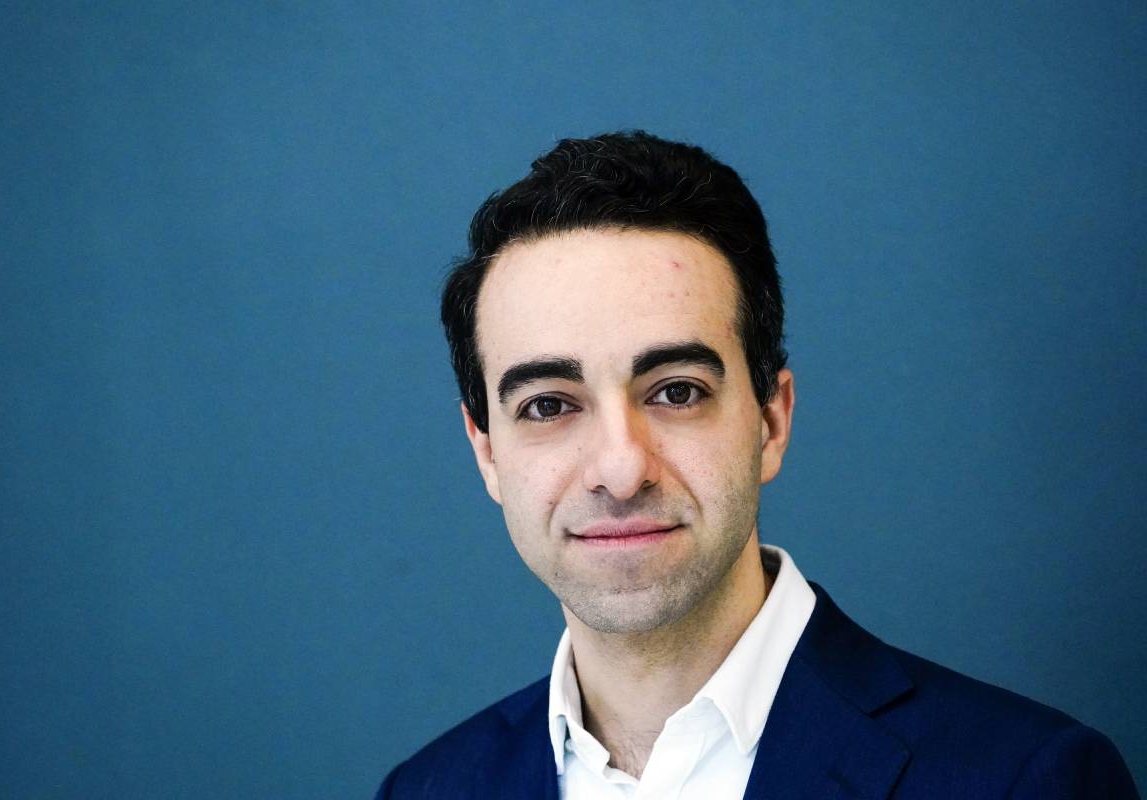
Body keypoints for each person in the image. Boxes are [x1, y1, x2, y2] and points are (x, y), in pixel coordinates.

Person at [375, 131, 1138, 799]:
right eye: (548, 405)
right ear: (487, 452)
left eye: (676, 391)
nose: (620, 470)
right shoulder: (424, 790)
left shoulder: (1029, 780)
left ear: (772, 420)